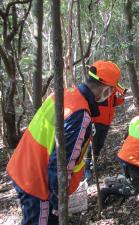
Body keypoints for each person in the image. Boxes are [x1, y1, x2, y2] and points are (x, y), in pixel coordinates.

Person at [6, 60, 122, 225]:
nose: (111, 95)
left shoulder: (65, 94)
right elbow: (61, 165)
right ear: (105, 89)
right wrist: (57, 202)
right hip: (38, 183)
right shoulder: (80, 115)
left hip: (23, 168)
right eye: (112, 91)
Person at [84, 86, 126, 182]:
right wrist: (91, 121)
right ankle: (86, 168)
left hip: (106, 122)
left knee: (99, 144)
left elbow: (114, 103)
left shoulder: (112, 90)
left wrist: (121, 97)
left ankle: (93, 164)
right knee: (92, 144)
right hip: (96, 121)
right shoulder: (98, 88)